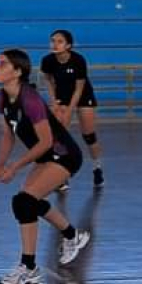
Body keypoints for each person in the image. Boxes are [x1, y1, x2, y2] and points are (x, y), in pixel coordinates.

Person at [0, 49, 90, 284]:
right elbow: (7, 135)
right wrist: (0, 164)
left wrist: (15, 167)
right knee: (27, 203)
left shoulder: (30, 99)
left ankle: (29, 268)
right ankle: (72, 236)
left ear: (18, 71)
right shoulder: (1, 98)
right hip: (45, 155)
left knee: (24, 202)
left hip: (64, 154)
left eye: (2, 64)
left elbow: (45, 141)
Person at [40, 29, 105, 189]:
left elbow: (79, 88)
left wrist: (69, 109)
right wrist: (53, 100)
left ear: (68, 45)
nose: (55, 44)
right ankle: (61, 176)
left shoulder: (78, 60)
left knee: (89, 135)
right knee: (60, 137)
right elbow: (47, 79)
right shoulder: (47, 60)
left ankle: (97, 168)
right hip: (62, 95)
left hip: (82, 95)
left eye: (59, 41)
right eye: (53, 40)